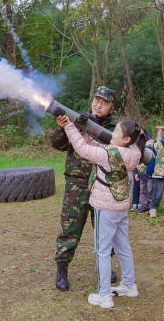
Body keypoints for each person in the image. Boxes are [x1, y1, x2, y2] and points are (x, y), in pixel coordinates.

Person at [62, 118, 144, 309]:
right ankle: (130, 285)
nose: (112, 133)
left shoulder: (109, 154)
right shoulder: (134, 152)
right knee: (123, 246)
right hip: (120, 207)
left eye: (116, 131)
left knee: (102, 251)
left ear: (126, 139)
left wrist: (69, 126)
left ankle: (104, 295)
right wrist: (84, 131)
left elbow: (83, 149)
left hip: (105, 208)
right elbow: (100, 147)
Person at [51, 86, 117, 292]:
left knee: (104, 228)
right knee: (70, 226)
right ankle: (62, 269)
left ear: (112, 106)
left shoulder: (115, 130)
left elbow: (119, 152)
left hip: (103, 185)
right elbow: (58, 145)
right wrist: (63, 129)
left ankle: (105, 265)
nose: (98, 105)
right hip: (77, 183)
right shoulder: (77, 120)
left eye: (104, 102)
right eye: (96, 100)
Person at [135, 130, 156, 215]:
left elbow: (155, 157)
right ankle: (144, 206)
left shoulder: (151, 143)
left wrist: (150, 171)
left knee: (150, 189)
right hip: (140, 172)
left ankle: (151, 207)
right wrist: (136, 172)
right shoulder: (135, 144)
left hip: (149, 172)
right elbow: (134, 158)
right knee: (142, 190)